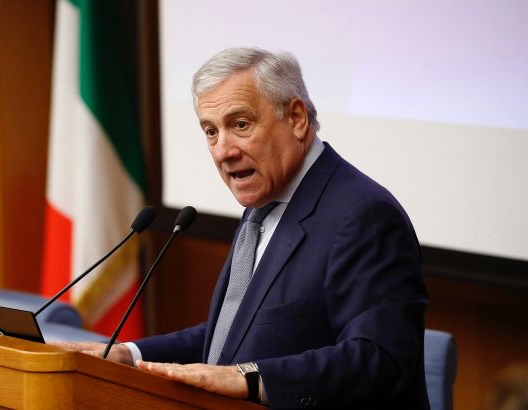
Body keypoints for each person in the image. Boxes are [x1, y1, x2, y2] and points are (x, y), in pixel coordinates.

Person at [58, 47, 429, 409]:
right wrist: (131, 354)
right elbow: (237, 337)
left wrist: (251, 379)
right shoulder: (265, 203)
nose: (223, 150)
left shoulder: (364, 215)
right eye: (211, 131)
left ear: (296, 118)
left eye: (240, 125)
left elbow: (381, 360)